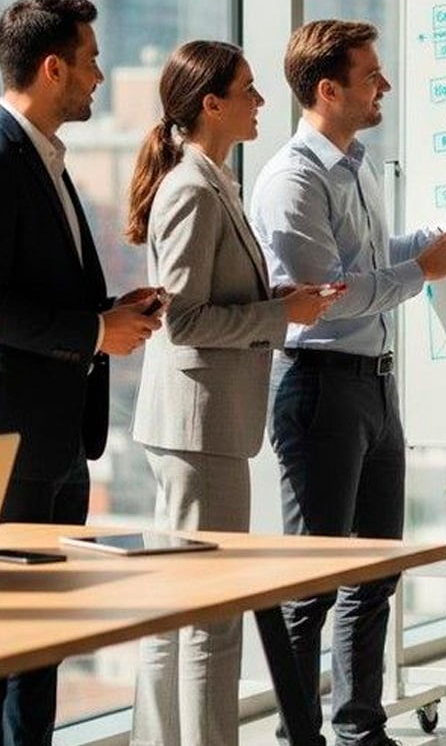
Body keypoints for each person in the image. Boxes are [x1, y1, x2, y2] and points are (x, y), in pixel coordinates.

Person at [249, 19, 446, 746]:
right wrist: (420, 275)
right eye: (371, 76)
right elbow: (329, 291)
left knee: (376, 573)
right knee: (313, 586)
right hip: (323, 390)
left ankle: (360, 730)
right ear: (328, 90)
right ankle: (297, 737)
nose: (383, 86)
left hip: (374, 390)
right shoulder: (292, 180)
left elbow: (374, 256)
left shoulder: (354, 164)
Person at [124, 40, 340, 746]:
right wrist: (282, 316)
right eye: (248, 90)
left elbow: (206, 300)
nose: (260, 101)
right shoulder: (191, 187)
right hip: (200, 425)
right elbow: (182, 321)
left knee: (177, 607)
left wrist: (278, 299)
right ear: (211, 103)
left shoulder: (214, 181)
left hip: (200, 423)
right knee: (211, 616)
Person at [0, 0, 163, 745]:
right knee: (14, 640)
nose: (99, 76)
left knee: (44, 646)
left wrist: (110, 308)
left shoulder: (47, 157)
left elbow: (41, 291)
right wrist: (98, 330)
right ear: (53, 65)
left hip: (62, 445)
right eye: (91, 60)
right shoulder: (2, 154)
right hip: (15, 445)